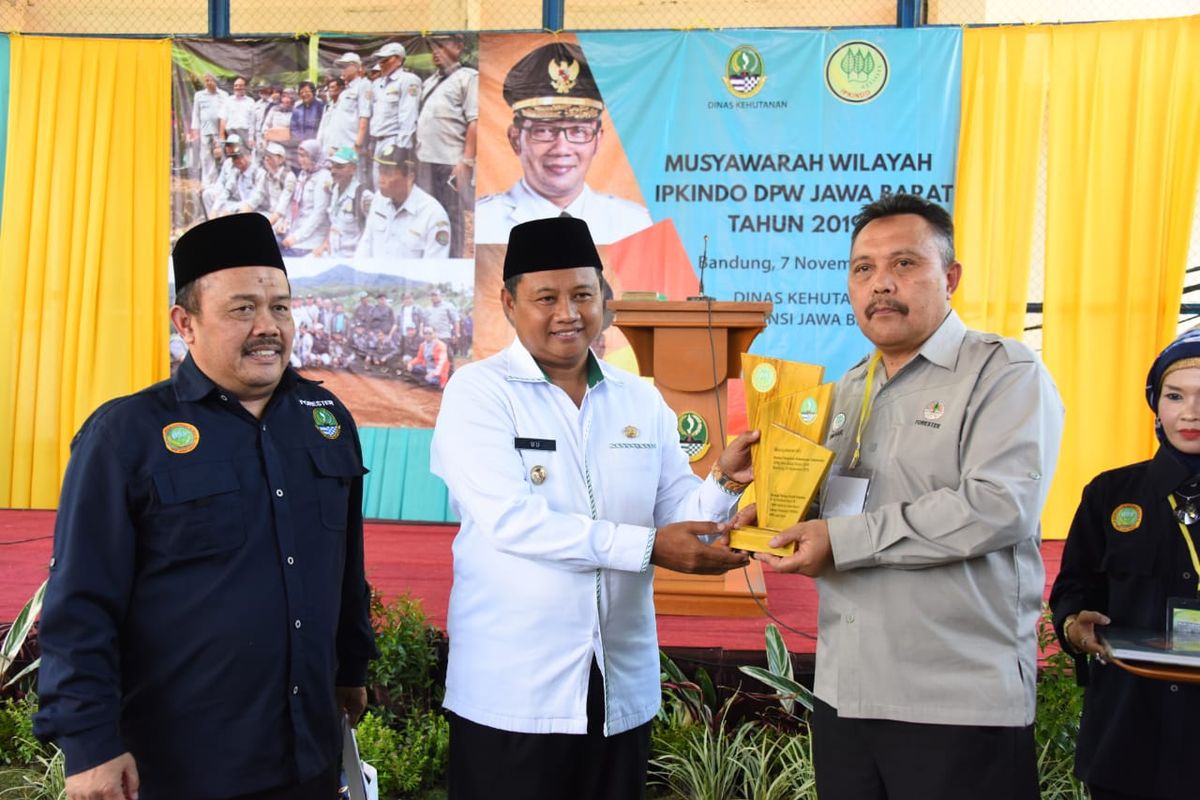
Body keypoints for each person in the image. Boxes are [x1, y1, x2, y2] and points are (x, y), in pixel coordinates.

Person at [33, 213, 377, 800]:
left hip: (309, 758)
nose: (268, 327)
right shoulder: (126, 436)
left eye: (280, 307)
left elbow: (345, 569)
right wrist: (88, 745)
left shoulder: (325, 420)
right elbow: (80, 605)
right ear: (185, 323)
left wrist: (351, 668)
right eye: (242, 309)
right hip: (184, 768)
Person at [430, 216, 757, 799]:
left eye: (583, 294)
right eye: (546, 297)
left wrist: (725, 487)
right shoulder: (478, 393)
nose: (568, 313)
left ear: (605, 300)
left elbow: (673, 504)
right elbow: (512, 522)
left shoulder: (637, 396)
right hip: (514, 692)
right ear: (508, 302)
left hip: (616, 684)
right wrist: (651, 548)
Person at [755, 193, 1064, 800]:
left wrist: (838, 540)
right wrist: (769, 507)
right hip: (845, 695)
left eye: (904, 264)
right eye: (863, 268)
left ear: (949, 278)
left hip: (955, 701)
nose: (880, 285)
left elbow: (997, 506)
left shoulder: (1003, 373)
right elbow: (840, 511)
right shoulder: (848, 391)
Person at [1049, 328, 1200, 800]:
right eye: (1175, 396)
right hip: (1128, 734)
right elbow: (1073, 589)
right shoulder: (1110, 494)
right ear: (1156, 403)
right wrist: (1075, 625)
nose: (1190, 413)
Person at [474, 42, 652, 245]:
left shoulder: (635, 226)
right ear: (515, 139)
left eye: (578, 131)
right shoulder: (482, 225)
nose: (561, 149)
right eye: (544, 130)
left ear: (597, 140)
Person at [416, 34, 478, 259]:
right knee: (427, 214)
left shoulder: (468, 78)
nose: (436, 51)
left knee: (451, 215)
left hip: (450, 161)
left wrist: (467, 161)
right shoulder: (430, 81)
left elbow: (475, 121)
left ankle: (452, 262)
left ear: (459, 46)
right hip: (425, 159)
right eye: (433, 46)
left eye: (442, 45)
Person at [355, 144, 450, 260]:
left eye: (388, 173)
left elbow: (434, 268)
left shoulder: (433, 214)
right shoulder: (378, 200)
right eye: (380, 171)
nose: (381, 179)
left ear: (409, 177)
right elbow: (366, 245)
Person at [367, 42, 421, 188]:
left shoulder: (408, 80)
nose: (381, 64)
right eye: (380, 60)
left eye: (385, 60)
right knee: (378, 186)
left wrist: (401, 148)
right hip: (377, 141)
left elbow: (408, 116)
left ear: (398, 59)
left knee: (391, 187)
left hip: (393, 141)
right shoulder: (378, 84)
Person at [281, 140, 333, 257]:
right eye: (299, 156)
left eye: (304, 156)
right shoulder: (304, 174)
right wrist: (286, 223)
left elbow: (318, 214)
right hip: (295, 231)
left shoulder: (324, 177)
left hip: (311, 239)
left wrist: (296, 237)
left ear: (314, 157)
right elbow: (295, 203)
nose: (300, 160)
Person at [317, 146, 369, 258]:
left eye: (339, 167)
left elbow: (372, 232)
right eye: (332, 166)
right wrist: (325, 243)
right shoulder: (335, 189)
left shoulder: (362, 195)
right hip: (332, 255)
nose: (333, 171)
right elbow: (334, 224)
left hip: (352, 259)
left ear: (353, 169)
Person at [189, 73, 227, 185]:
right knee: (206, 158)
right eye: (206, 81)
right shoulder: (199, 95)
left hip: (219, 131)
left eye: (211, 80)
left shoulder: (223, 95)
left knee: (221, 157)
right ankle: (207, 183)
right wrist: (195, 130)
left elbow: (226, 113)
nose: (208, 83)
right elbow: (195, 114)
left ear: (215, 81)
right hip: (205, 131)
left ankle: (220, 182)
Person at [288, 81, 325, 172]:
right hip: (300, 145)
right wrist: (301, 142)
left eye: (307, 92)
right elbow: (293, 127)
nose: (304, 94)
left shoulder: (321, 107)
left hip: (316, 147)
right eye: (301, 93)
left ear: (313, 92)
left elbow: (323, 126)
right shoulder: (298, 109)